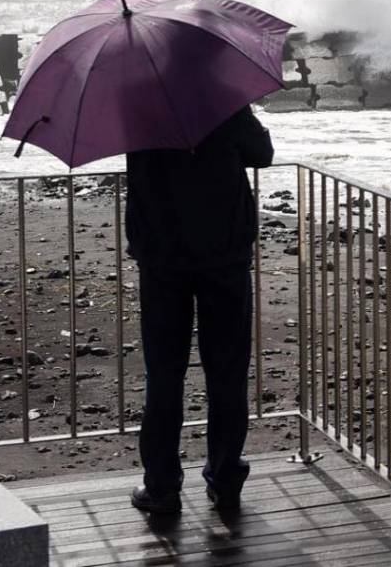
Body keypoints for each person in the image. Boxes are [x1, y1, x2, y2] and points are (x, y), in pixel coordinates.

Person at [124, 106, 273, 514]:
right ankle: (225, 481)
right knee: (227, 373)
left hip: (162, 258)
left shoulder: (137, 105)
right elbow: (262, 153)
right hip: (223, 255)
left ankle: (161, 486)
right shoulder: (221, 100)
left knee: (164, 375)